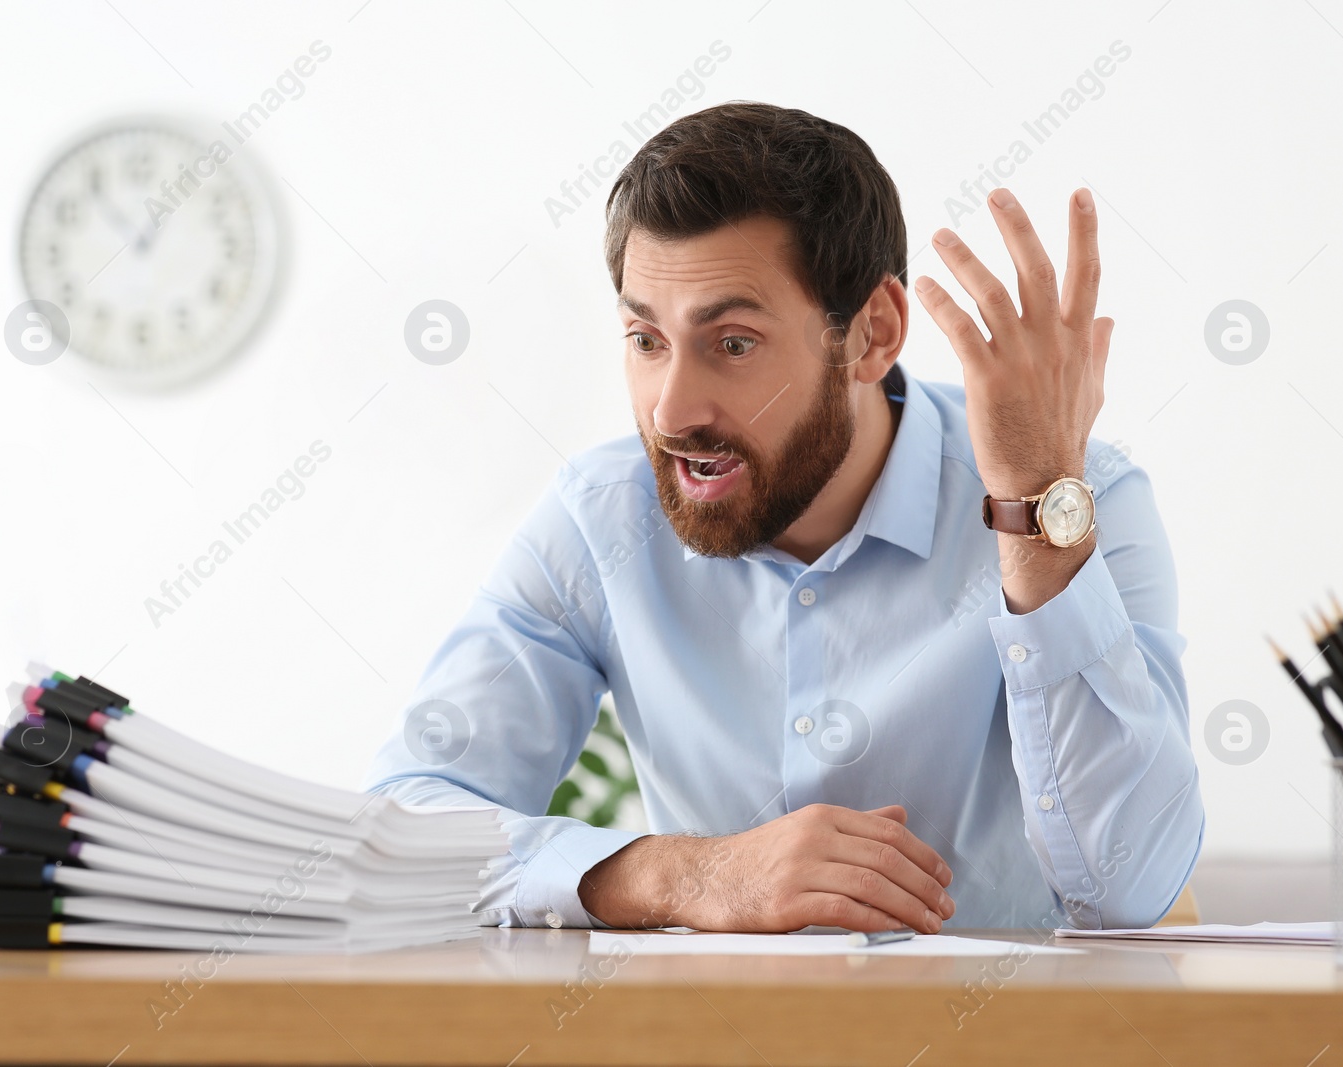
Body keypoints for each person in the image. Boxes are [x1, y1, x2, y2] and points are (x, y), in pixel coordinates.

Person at [364, 101, 1202, 933]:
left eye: (731, 343)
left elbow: (1130, 889)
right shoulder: (598, 519)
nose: (670, 411)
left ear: (872, 334)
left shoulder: (1081, 503)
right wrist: (684, 873)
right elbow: (407, 824)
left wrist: (1032, 510)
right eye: (646, 340)